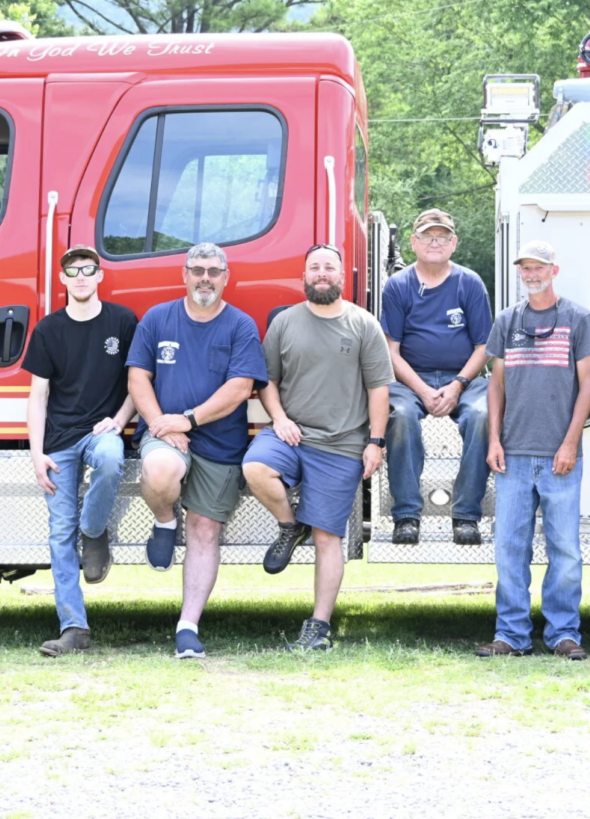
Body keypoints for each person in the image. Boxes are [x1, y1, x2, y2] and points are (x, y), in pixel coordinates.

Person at [243, 244, 393, 651]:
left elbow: (379, 389)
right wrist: (278, 418)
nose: (322, 273)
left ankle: (318, 626)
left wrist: (375, 442)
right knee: (255, 468)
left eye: (329, 267)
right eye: (315, 267)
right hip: (289, 434)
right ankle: (291, 525)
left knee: (329, 538)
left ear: (342, 276)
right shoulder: (285, 322)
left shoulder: (364, 324)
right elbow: (266, 380)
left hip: (342, 444)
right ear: (304, 276)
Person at [127, 243, 267, 659]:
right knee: (158, 468)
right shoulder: (157, 318)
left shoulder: (240, 326)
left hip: (219, 443)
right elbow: (138, 380)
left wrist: (187, 420)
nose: (205, 278)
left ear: (226, 278)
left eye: (213, 271)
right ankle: (165, 521)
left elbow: (241, 388)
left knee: (206, 532)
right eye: (197, 270)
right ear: (184, 275)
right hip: (165, 432)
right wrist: (160, 425)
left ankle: (188, 626)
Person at [479, 241, 590, 660]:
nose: (531, 274)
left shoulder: (577, 318)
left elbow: (588, 384)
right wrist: (494, 440)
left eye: (539, 267)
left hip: (559, 456)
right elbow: (496, 384)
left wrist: (570, 442)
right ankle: (511, 634)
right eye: (526, 268)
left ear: (554, 270)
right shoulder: (507, 320)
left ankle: (564, 633)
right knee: (510, 548)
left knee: (564, 549)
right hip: (512, 454)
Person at [24, 245, 136, 657]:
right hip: (59, 442)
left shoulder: (122, 322)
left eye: (89, 269)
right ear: (63, 280)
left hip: (102, 431)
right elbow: (38, 397)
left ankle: (93, 531)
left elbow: (138, 383)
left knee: (111, 459)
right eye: (74, 270)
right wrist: (36, 455)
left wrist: (120, 420)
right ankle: (74, 628)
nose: (82, 276)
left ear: (100, 275)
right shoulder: (48, 330)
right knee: (58, 535)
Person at [381, 209, 493, 545]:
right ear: (413, 242)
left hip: (466, 378)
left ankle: (466, 515)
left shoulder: (469, 283)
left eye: (442, 236)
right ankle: (406, 515)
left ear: (453, 243)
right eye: (427, 236)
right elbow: (391, 351)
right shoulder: (398, 286)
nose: (435, 242)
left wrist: (457, 385)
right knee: (399, 416)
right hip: (409, 380)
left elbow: (484, 346)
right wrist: (424, 391)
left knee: (483, 415)